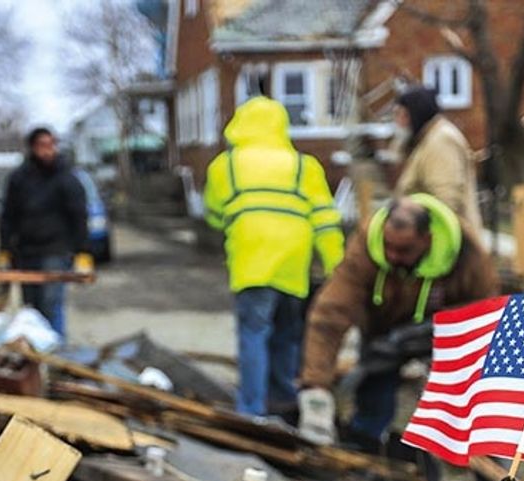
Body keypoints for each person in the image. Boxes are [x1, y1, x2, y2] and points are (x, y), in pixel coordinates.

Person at [298, 194, 498, 448]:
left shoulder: (467, 254)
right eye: (387, 246)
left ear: (427, 240)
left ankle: (443, 448)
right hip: (382, 326)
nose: (392, 256)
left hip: (440, 330)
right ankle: (367, 439)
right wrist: (316, 387)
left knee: (448, 393)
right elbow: (330, 315)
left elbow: (484, 315)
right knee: (376, 373)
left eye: (403, 250)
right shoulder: (366, 245)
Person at [204, 96, 345, 417]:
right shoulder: (303, 166)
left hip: (251, 264)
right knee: (287, 334)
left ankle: (252, 410)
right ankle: (283, 401)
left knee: (253, 334)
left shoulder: (225, 166)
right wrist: (337, 267)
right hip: (293, 265)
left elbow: (213, 215)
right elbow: (325, 219)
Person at [0, 127, 90, 338]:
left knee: (51, 302)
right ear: (32, 148)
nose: (48, 151)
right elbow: (7, 216)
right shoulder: (19, 179)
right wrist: (4, 249)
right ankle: (37, 352)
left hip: (56, 251)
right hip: (25, 251)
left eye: (51, 145)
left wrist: (83, 251)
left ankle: (56, 348)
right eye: (42, 146)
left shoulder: (66, 178)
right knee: (31, 306)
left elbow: (79, 216)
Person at [393, 86, 483, 233]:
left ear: (416, 114)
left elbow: (446, 202)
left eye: (402, 115)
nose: (398, 122)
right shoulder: (427, 139)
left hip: (445, 242)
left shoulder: (441, 141)